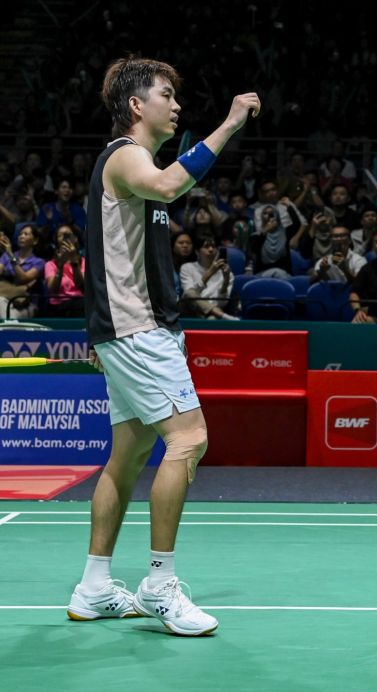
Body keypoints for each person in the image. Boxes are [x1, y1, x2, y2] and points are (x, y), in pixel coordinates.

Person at [68, 55, 260, 637]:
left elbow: (105, 254)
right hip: (139, 331)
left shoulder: (132, 162)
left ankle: (94, 585)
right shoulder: (127, 156)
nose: (176, 104)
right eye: (166, 94)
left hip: (127, 330)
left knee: (125, 460)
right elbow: (171, 185)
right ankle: (159, 583)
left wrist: (99, 331)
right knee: (189, 439)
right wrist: (227, 125)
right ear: (135, 105)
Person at [0, 224, 45, 319]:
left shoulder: (39, 262)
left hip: (25, 304)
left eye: (26, 234)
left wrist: (10, 253)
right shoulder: (5, 256)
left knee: (9, 315)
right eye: (20, 234)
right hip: (4, 297)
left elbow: (23, 278)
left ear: (35, 241)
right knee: (0, 302)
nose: (21, 236)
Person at [178, 235, 237, 320]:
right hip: (189, 309)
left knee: (212, 319)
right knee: (189, 293)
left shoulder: (227, 273)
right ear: (197, 251)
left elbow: (222, 303)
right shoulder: (187, 268)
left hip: (212, 311)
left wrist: (226, 280)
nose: (211, 249)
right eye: (206, 247)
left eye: (213, 246)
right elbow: (189, 295)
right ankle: (224, 316)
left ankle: (219, 314)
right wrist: (210, 272)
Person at [44, 223, 86, 317]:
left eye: (67, 234)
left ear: (75, 238)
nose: (64, 237)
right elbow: (53, 291)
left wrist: (74, 261)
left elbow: (83, 288)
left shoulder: (84, 262)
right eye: (60, 235)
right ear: (56, 241)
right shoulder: (50, 264)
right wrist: (60, 266)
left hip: (81, 305)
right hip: (58, 307)